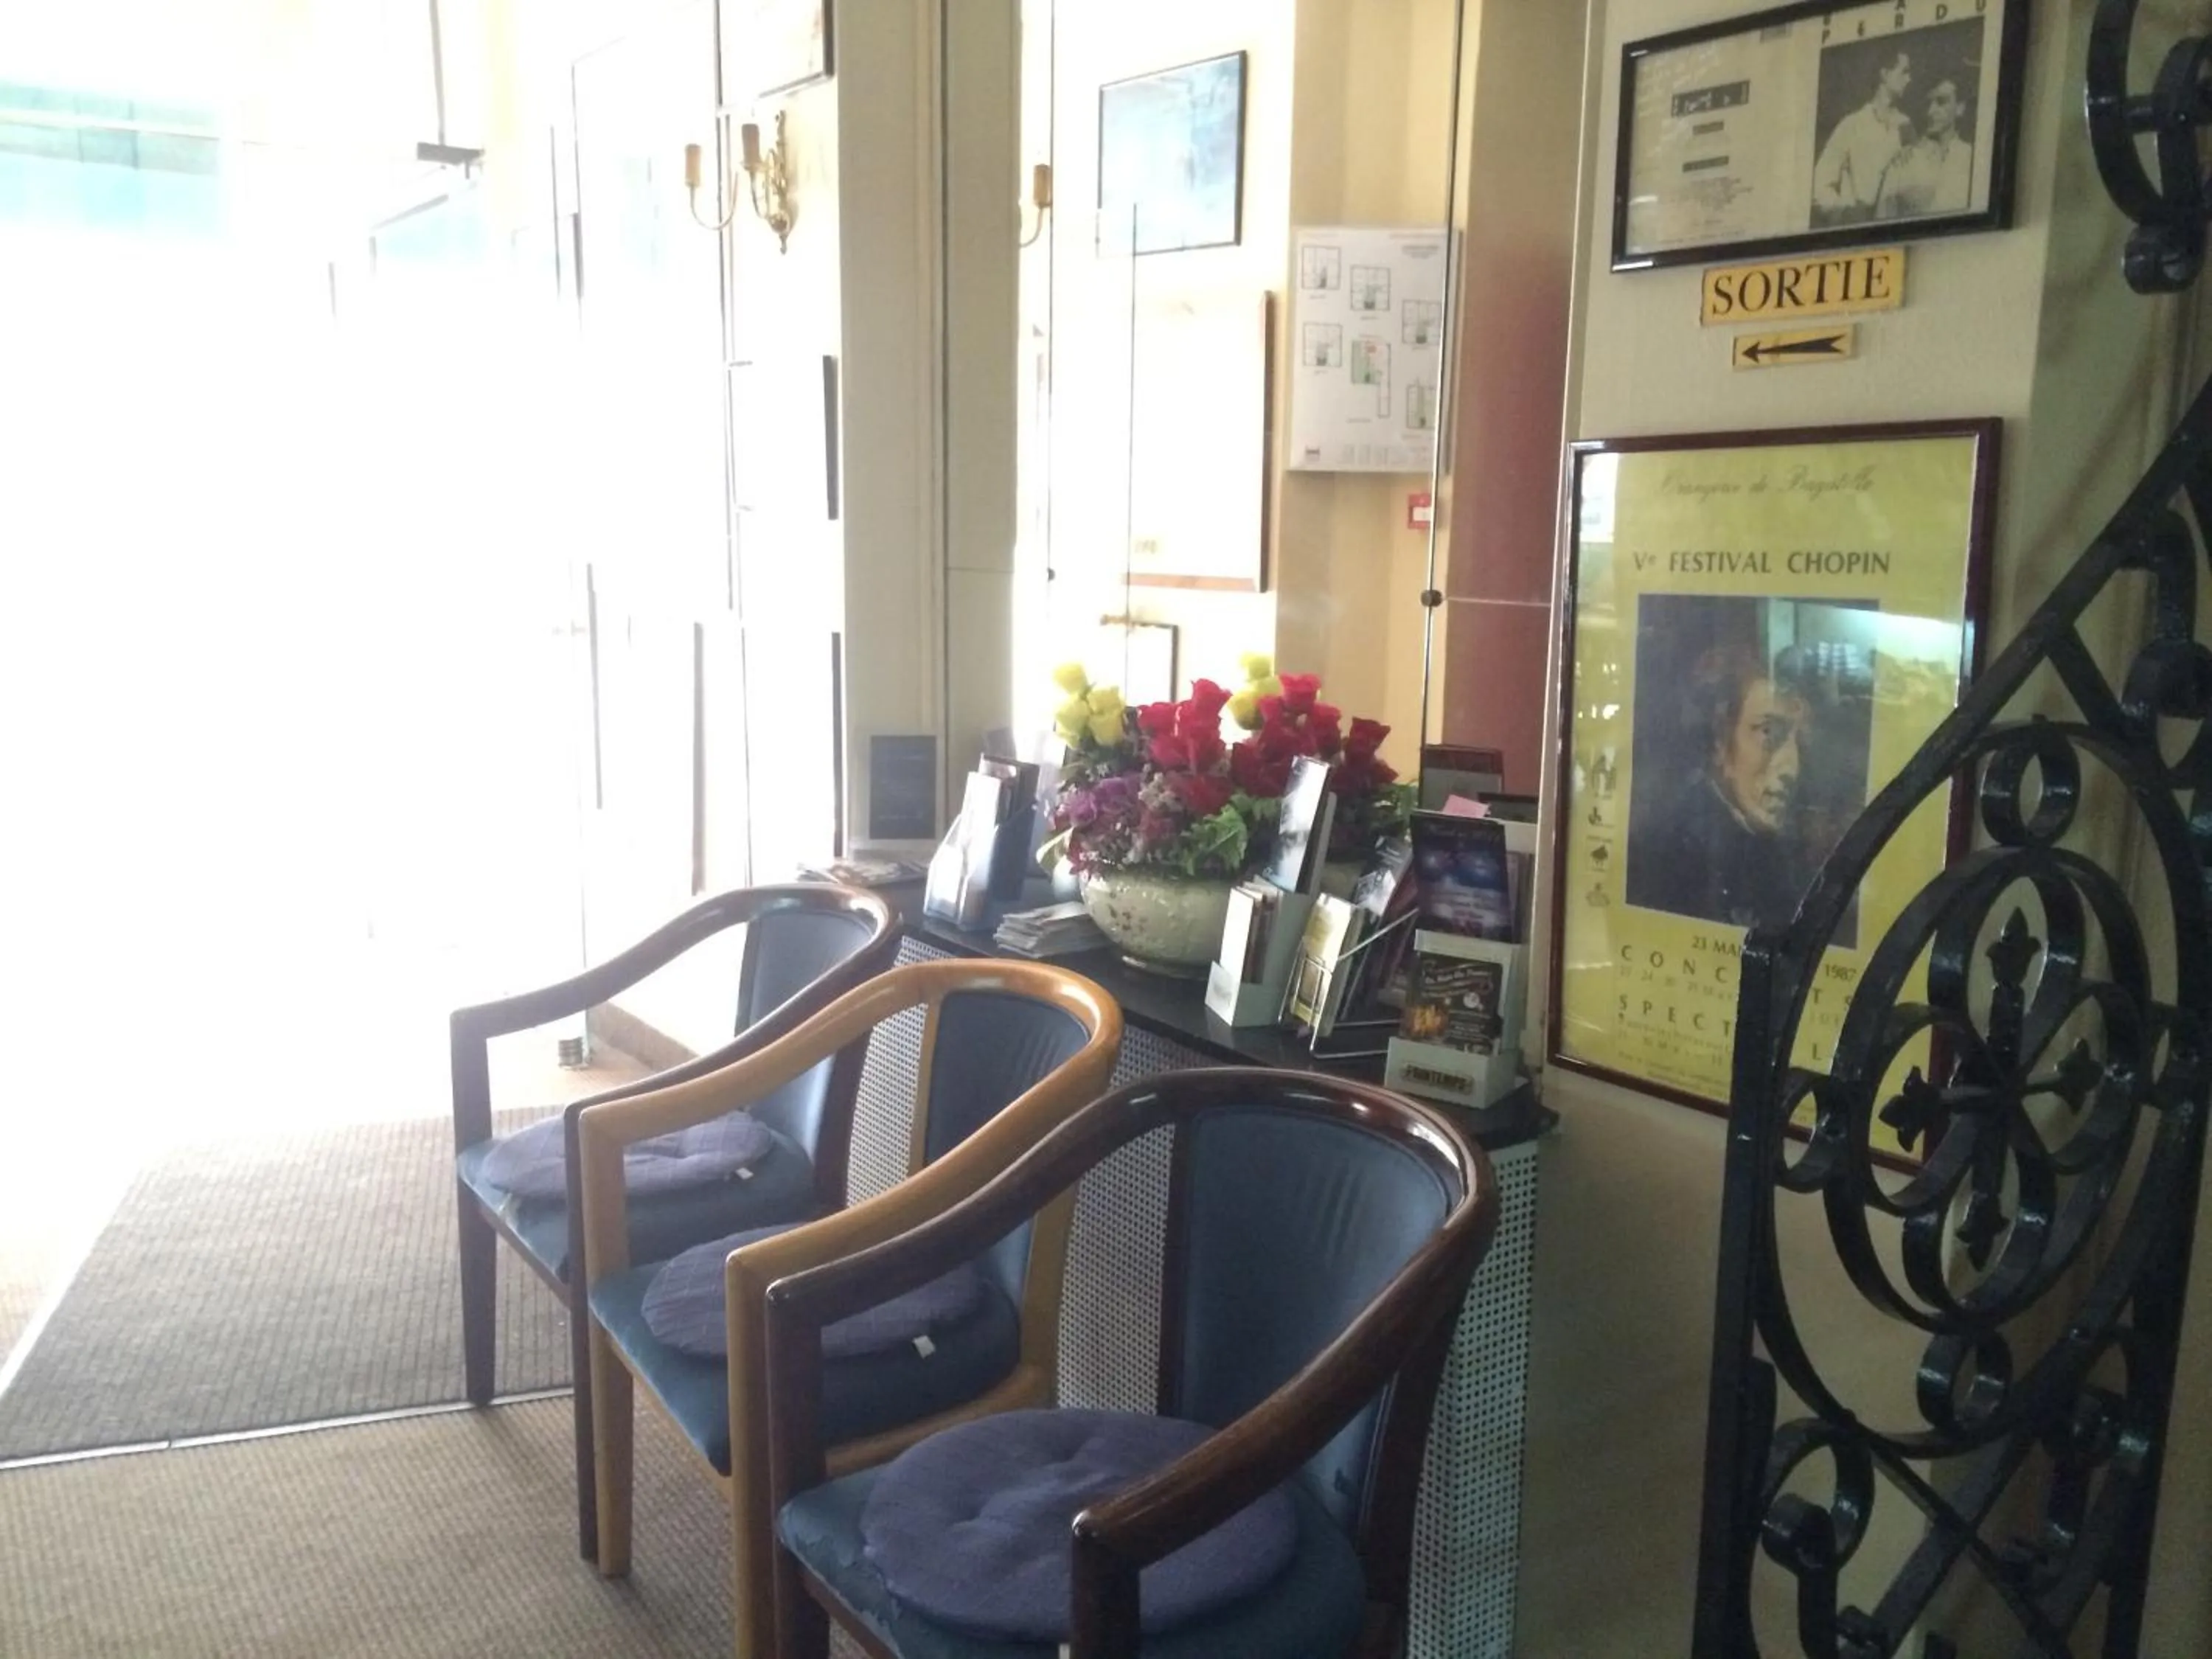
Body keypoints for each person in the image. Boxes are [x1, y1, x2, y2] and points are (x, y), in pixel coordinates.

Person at [1627, 643, 1817, 930]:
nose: (1791, 768)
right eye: (1768, 733)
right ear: (1719, 740)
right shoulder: (1673, 848)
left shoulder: (1777, 847)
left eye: (1799, 743)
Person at [1812, 49, 1914, 225]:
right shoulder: (1852, 125)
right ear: (1885, 74)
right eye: (1904, 72)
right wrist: (1845, 212)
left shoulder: (1907, 125)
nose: (1909, 79)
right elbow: (1820, 183)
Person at [1877, 75, 1974, 218]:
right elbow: (1883, 219)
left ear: (1960, 108)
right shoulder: (1904, 161)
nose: (1931, 112)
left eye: (1941, 102)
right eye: (1928, 104)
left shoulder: (1973, 159)